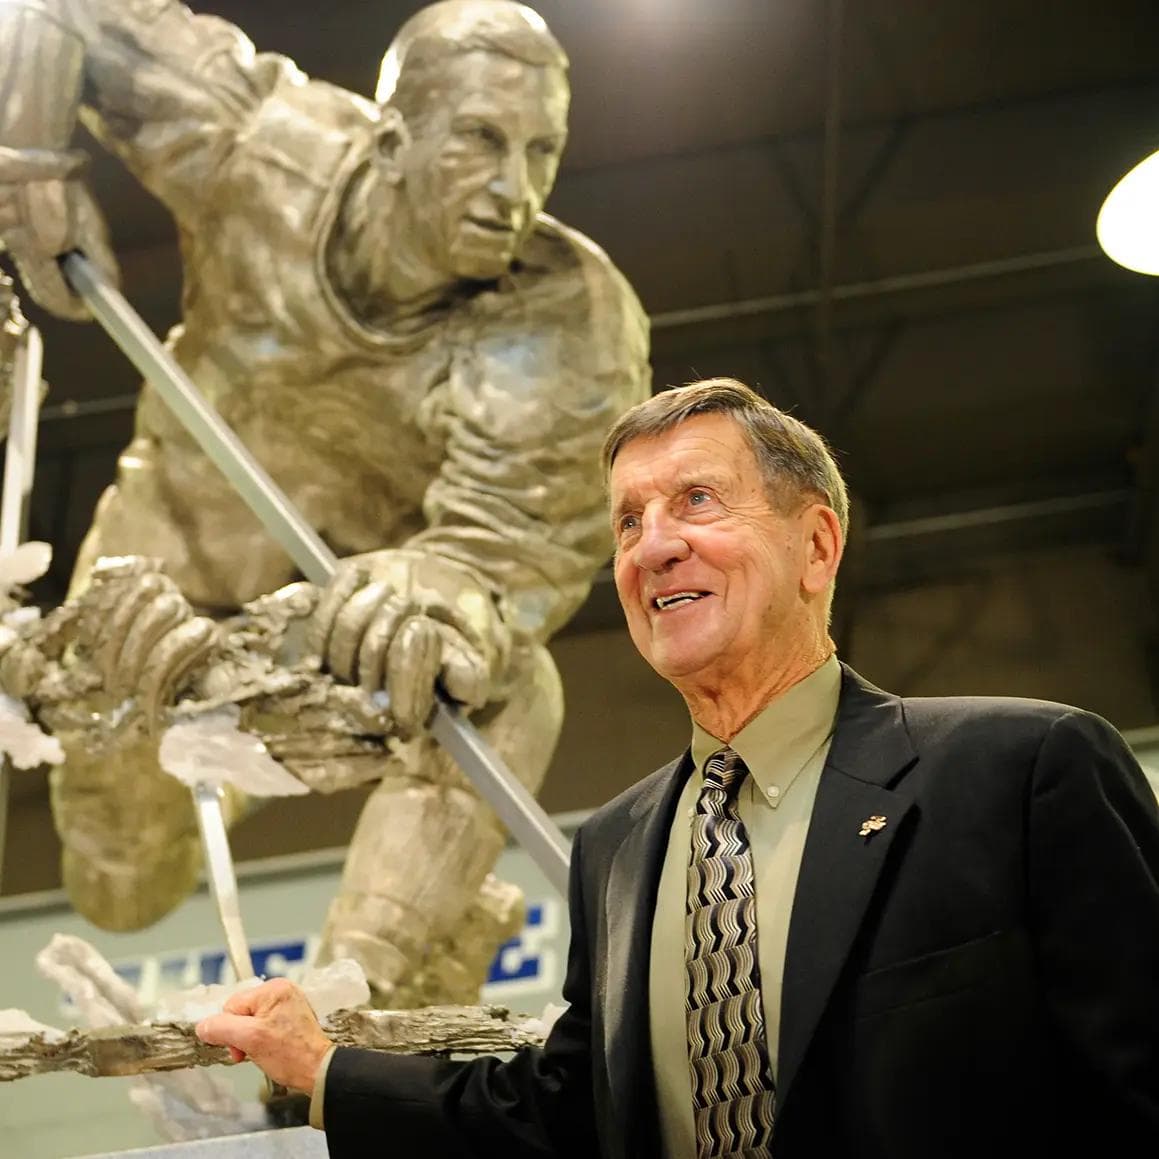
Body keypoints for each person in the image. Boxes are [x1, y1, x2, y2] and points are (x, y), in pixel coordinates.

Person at [197, 376, 1159, 1158]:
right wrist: (325, 1070)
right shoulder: (614, 849)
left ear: (815, 546)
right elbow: (569, 1114)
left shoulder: (1023, 771)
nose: (653, 545)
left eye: (696, 500)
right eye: (626, 521)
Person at [0, 0, 649, 1003]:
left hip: (334, 643)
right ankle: (214, 777)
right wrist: (27, 154)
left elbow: (519, 535)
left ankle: (359, 991)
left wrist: (446, 584)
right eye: (479, 140)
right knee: (118, 886)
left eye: (541, 150)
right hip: (152, 585)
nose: (513, 189)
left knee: (512, 686)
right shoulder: (262, 145)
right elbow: (55, 8)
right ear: (393, 139)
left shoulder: (567, 313)